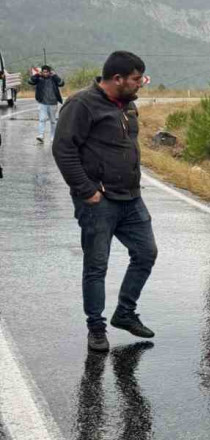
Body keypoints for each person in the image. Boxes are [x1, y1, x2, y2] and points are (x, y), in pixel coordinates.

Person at [52, 51, 155, 352]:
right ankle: (96, 328)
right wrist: (86, 190)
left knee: (146, 253)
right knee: (97, 267)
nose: (141, 84)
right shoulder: (81, 104)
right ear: (117, 79)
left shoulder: (128, 104)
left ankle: (124, 313)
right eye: (137, 79)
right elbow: (63, 150)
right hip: (99, 201)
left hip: (131, 199)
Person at [28, 65, 65, 143]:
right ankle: (40, 135)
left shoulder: (54, 78)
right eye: (43, 72)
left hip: (53, 103)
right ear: (42, 72)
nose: (45, 73)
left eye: (47, 72)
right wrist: (37, 74)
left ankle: (53, 137)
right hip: (43, 103)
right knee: (42, 119)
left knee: (53, 121)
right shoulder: (39, 78)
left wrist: (55, 75)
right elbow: (30, 81)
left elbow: (61, 83)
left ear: (49, 72)